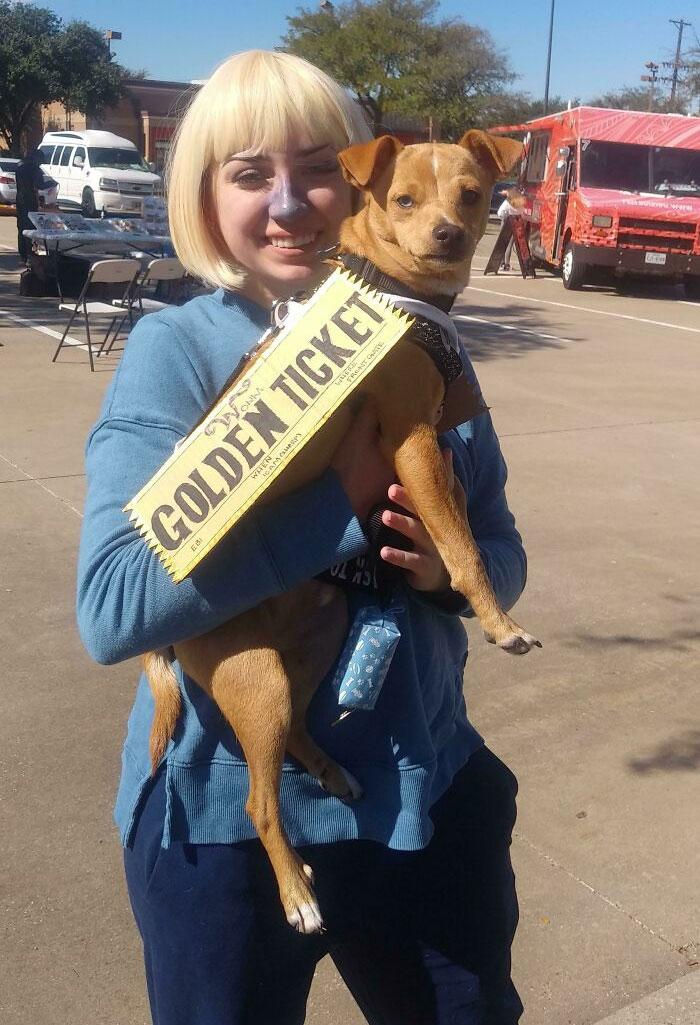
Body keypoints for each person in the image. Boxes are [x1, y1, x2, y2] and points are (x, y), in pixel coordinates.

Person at [77, 50, 527, 1025]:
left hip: (426, 799)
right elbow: (112, 605)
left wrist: (450, 577)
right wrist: (343, 503)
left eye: (319, 167)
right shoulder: (183, 350)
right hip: (226, 826)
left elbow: (496, 538)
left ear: (363, 180)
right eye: (248, 173)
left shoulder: (416, 335)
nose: (290, 203)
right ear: (203, 200)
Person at [15, 148, 45, 262]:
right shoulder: (34, 168)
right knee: (31, 227)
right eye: (41, 161)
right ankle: (30, 252)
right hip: (30, 200)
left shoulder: (20, 165)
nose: (41, 163)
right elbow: (39, 184)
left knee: (21, 226)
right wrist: (52, 183)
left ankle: (22, 252)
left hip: (19, 199)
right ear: (37, 158)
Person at [497, 191, 520, 272]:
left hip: (505, 220)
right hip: (513, 221)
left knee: (503, 242)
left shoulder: (507, 201)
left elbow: (500, 212)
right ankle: (506, 264)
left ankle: (503, 263)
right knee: (509, 243)